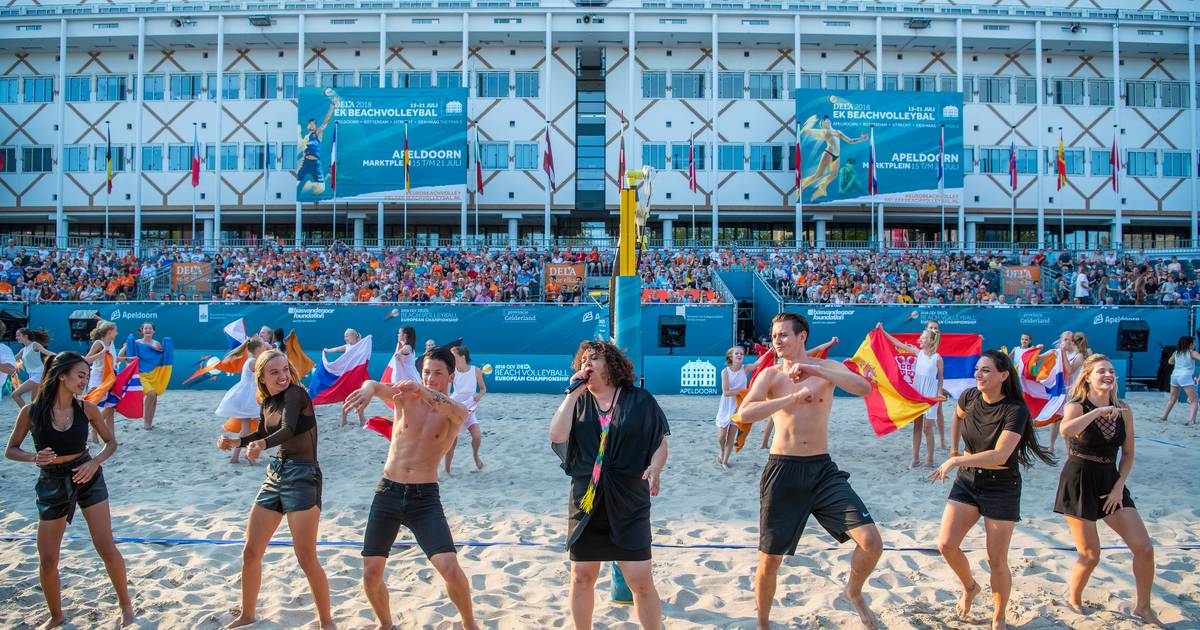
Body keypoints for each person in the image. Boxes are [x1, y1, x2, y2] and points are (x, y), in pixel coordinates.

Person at [738, 313, 881, 630]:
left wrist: (816, 369)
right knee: (770, 559)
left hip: (821, 469)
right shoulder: (771, 375)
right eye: (774, 335)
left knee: (871, 542)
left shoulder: (827, 370)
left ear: (802, 337)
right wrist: (790, 397)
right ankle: (762, 623)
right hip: (783, 469)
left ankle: (853, 593)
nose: (777, 340)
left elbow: (863, 388)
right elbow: (744, 412)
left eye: (784, 335)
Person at [343, 347, 479, 630]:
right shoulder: (405, 397)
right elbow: (376, 385)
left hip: (424, 498)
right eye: (426, 372)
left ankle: (470, 625)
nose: (430, 378)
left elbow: (446, 406)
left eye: (437, 373)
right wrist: (368, 389)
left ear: (451, 377)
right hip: (388, 491)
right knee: (370, 571)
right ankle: (386, 624)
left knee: (450, 569)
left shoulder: (457, 408)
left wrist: (421, 388)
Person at [5, 352, 134, 627]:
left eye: (87, 377)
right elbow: (10, 450)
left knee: (105, 546)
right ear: (61, 375)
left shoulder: (87, 409)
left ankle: (126, 605)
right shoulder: (31, 412)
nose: (84, 381)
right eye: (80, 375)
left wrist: (95, 463)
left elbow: (111, 443)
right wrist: (32, 457)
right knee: (48, 557)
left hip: (86, 475)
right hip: (51, 480)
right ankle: (57, 615)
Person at [930, 349, 1055, 630]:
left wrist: (955, 459)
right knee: (946, 545)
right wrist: (953, 449)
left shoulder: (1016, 409)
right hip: (968, 481)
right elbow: (957, 416)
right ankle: (971, 587)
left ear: (1003, 375)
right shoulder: (969, 397)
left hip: (1001, 487)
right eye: (977, 369)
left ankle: (998, 619)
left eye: (986, 370)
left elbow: (1000, 455)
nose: (978, 374)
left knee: (996, 559)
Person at [549, 340, 669, 630]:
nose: (587, 363)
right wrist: (572, 394)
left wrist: (655, 467)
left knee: (640, 580)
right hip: (586, 500)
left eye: (595, 358)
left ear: (611, 364)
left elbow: (660, 442)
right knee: (582, 576)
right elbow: (557, 436)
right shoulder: (578, 400)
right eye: (584, 359)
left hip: (628, 497)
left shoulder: (639, 399)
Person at [216, 350, 333, 629]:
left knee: (306, 558)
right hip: (276, 474)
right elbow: (262, 432)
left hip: (303, 476)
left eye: (285, 370)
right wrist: (237, 442)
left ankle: (327, 622)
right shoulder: (268, 401)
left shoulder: (296, 394)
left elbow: (288, 429)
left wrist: (262, 446)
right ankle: (247, 614)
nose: (282, 376)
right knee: (251, 551)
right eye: (274, 372)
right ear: (262, 378)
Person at [1055, 354, 1161, 624]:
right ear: (1088, 377)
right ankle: (1075, 598)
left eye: (1111, 371)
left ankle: (1143, 608)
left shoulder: (1124, 409)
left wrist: (1118, 489)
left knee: (1144, 548)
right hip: (1078, 479)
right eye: (1101, 371)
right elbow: (1066, 430)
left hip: (1110, 481)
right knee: (1090, 555)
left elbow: (1127, 455)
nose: (1108, 375)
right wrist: (1096, 412)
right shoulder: (1077, 405)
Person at [756, 337, 838, 450]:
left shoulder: (789, 357)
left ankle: (765, 443)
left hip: (790, 387)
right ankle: (764, 443)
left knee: (774, 421)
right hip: (781, 389)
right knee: (773, 420)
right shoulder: (774, 361)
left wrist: (830, 343)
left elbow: (817, 349)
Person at [880, 324, 943, 468]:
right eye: (921, 337)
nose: (920, 339)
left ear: (931, 341)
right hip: (917, 394)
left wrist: (939, 393)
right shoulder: (918, 353)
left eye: (924, 337)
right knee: (917, 426)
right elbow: (898, 343)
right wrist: (883, 331)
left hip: (930, 396)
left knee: (928, 429)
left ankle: (930, 459)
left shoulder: (937, 358)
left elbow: (940, 379)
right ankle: (915, 458)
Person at [216, 339, 268, 465]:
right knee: (252, 429)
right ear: (257, 350)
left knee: (246, 429)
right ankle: (248, 455)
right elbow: (265, 372)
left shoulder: (250, 360)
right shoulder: (253, 362)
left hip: (244, 397)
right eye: (263, 348)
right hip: (248, 399)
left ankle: (236, 457)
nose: (264, 350)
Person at [715, 345, 761, 469]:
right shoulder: (725, 371)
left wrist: (769, 352)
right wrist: (744, 391)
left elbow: (758, 363)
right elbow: (726, 392)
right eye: (737, 353)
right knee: (721, 437)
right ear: (731, 356)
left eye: (742, 353)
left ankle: (725, 461)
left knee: (731, 436)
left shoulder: (745, 369)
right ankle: (721, 451)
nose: (740, 355)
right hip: (726, 406)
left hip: (739, 405)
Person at [116, 322, 169, 430]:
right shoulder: (136, 343)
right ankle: (146, 423)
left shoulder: (156, 344)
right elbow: (120, 356)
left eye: (150, 328)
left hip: (153, 374)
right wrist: (127, 350)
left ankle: (149, 423)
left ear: (153, 331)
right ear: (142, 331)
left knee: (154, 398)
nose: (148, 330)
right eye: (146, 328)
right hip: (140, 374)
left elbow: (160, 358)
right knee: (151, 394)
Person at [445, 345, 486, 475]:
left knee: (477, 436)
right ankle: (447, 470)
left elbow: (483, 389)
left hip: (470, 408)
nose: (451, 359)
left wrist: (478, 396)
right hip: (456, 407)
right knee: (452, 442)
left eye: (454, 356)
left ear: (462, 357)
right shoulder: (452, 372)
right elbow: (446, 391)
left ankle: (475, 456)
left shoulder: (476, 371)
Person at [295, 92, 338, 196]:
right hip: (305, 161)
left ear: (315, 126)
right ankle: (303, 188)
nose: (312, 124)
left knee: (321, 189)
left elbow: (326, 120)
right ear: (308, 125)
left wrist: (332, 106)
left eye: (314, 123)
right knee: (296, 183)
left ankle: (308, 186)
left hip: (315, 163)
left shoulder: (318, 133)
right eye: (310, 123)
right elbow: (300, 146)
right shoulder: (304, 136)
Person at [323, 328, 367, 428]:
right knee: (345, 398)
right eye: (344, 336)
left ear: (353, 336)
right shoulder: (347, 346)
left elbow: (365, 350)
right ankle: (344, 420)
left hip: (356, 377)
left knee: (357, 398)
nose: (344, 338)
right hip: (347, 377)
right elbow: (336, 349)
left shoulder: (360, 346)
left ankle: (361, 420)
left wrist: (368, 339)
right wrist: (327, 351)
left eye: (347, 335)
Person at [84, 321, 119, 444]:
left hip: (110, 377)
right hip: (98, 377)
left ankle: (111, 437)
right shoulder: (99, 343)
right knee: (92, 405)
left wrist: (127, 359)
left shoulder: (112, 343)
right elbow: (86, 359)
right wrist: (101, 354)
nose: (117, 332)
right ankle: (94, 429)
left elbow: (114, 360)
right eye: (116, 330)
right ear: (109, 331)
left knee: (111, 408)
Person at [1161, 335, 1199, 425]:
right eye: (1194, 342)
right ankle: (1191, 420)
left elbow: (1170, 362)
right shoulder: (1192, 353)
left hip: (1174, 376)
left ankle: (1164, 417)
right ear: (1190, 344)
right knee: (1194, 400)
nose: (1195, 344)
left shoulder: (1177, 352)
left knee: (1172, 399)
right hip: (1185, 376)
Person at [11, 327, 53, 407]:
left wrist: (62, 356)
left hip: (38, 374)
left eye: (18, 335)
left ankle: (27, 415)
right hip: (32, 375)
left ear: (25, 336)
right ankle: (37, 417)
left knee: (15, 394)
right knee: (34, 402)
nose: (16, 338)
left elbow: (47, 352)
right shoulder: (23, 350)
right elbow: (12, 359)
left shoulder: (34, 345)